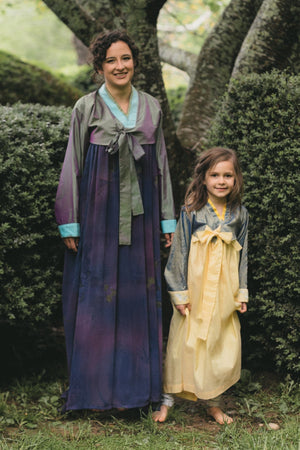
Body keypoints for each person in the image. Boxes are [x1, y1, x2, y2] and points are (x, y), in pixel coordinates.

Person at [55, 30, 176, 412]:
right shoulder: (86, 108)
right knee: (97, 297)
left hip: (140, 216)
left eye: (125, 58)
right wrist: (70, 222)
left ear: (134, 62)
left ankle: (133, 393)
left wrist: (167, 221)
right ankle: (95, 394)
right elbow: (72, 165)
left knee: (137, 296)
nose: (120, 66)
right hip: (97, 216)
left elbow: (161, 167)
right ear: (99, 67)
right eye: (111, 60)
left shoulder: (152, 107)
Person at [153, 147, 248, 424]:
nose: (221, 181)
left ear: (236, 179)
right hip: (194, 291)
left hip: (223, 291)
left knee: (219, 345)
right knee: (184, 343)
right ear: (203, 179)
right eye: (214, 175)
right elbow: (179, 253)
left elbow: (244, 256)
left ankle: (213, 402)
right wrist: (179, 293)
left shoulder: (240, 215)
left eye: (227, 175)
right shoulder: (192, 211)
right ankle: (167, 401)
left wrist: (241, 292)